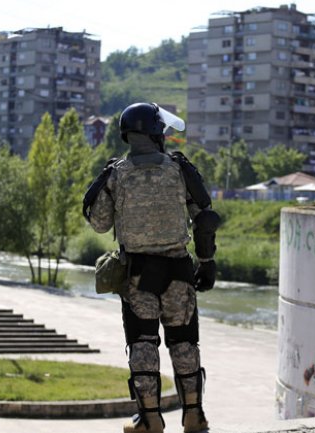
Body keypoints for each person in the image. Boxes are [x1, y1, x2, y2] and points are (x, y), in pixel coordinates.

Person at [85, 102, 220, 433]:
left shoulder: (116, 174)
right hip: (179, 271)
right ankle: (194, 416)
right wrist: (207, 262)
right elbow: (204, 218)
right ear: (157, 132)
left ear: (127, 135)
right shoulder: (178, 168)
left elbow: (99, 224)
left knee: (144, 345)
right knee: (184, 343)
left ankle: (149, 420)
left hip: (139, 275)